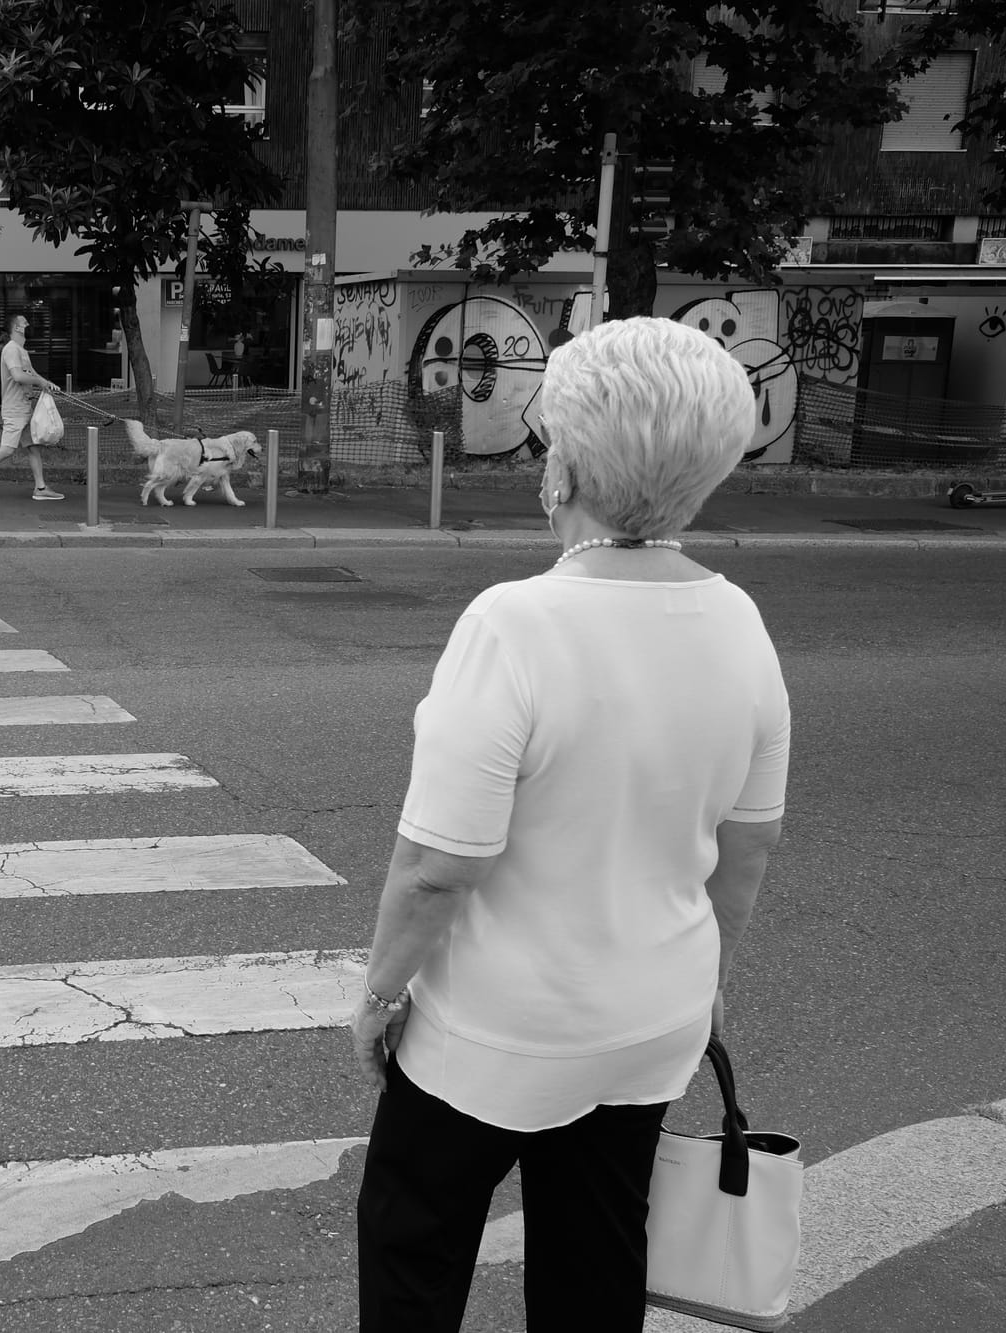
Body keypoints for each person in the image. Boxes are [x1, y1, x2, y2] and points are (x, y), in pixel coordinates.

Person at [350, 316, 790, 1333]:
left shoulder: (514, 623)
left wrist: (377, 996)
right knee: (594, 1255)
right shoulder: (737, 620)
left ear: (566, 469)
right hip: (651, 1019)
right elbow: (745, 847)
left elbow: (435, 868)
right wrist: (707, 981)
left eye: (544, 438)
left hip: (496, 1027)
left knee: (413, 1237)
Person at [0, 311, 63, 502]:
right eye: (25, 323)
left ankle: (40, 488)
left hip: (24, 408)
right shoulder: (11, 349)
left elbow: (32, 373)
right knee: (8, 449)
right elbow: (18, 376)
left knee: (33, 447)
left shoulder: (21, 351)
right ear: (17, 328)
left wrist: (47, 383)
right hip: (15, 409)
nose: (28, 325)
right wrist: (40, 383)